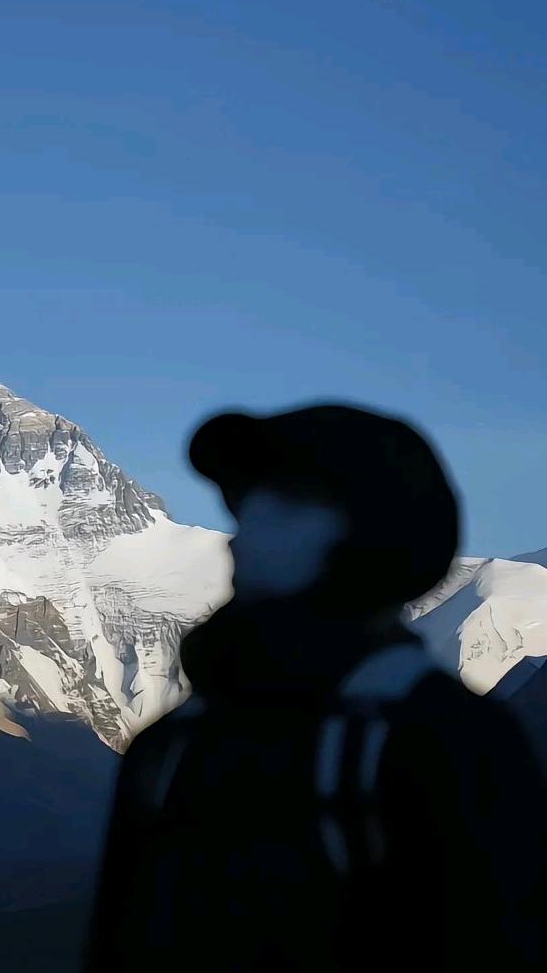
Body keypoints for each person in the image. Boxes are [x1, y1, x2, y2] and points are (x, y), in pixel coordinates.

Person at [82, 403, 547, 972]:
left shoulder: (441, 740)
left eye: (289, 502)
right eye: (248, 502)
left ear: (375, 531)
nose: (246, 530)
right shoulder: (172, 744)